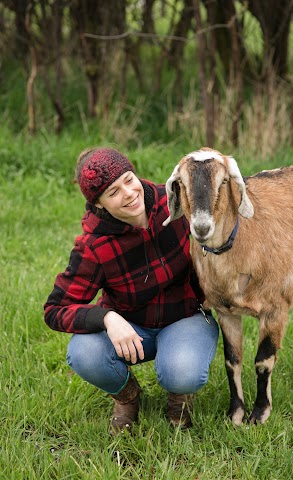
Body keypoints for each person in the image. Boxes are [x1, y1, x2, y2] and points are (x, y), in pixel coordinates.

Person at [44, 147, 219, 434]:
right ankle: (128, 397)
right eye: (113, 192)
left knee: (182, 371)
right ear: (99, 205)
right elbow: (55, 310)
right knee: (83, 352)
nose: (128, 193)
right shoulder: (94, 246)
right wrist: (106, 318)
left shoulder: (176, 202)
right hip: (133, 331)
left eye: (128, 179)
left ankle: (179, 394)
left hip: (187, 317)